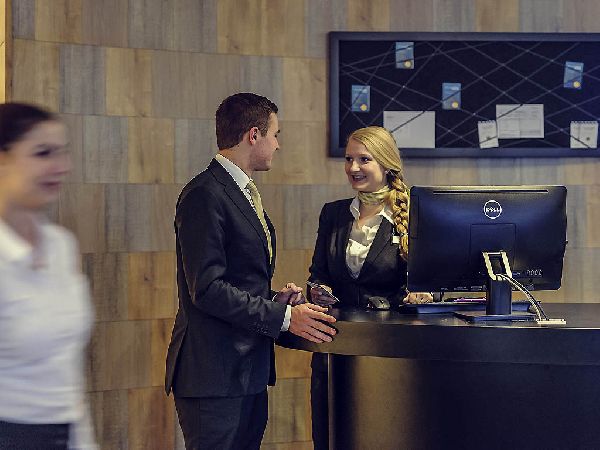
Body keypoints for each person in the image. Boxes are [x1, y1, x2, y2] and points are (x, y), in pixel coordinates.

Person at [165, 92, 337, 450]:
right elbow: (207, 289)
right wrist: (284, 318)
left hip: (245, 372)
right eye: (275, 135)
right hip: (213, 377)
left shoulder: (241, 191)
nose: (278, 145)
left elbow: (237, 280)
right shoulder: (205, 194)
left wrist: (275, 300)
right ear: (253, 135)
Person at [307, 125, 432, 449]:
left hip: (389, 351)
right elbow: (318, 273)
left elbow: (429, 283)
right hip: (335, 346)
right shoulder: (333, 213)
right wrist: (317, 289)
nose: (353, 167)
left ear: (386, 164)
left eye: (364, 159)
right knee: (331, 435)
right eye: (349, 159)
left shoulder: (415, 214)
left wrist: (420, 295)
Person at [0, 103, 97, 449]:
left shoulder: (60, 246)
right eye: (43, 153)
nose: (61, 166)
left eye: (62, 152)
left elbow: (65, 369)